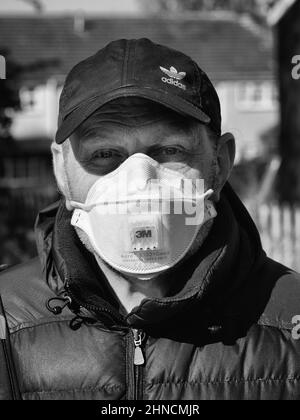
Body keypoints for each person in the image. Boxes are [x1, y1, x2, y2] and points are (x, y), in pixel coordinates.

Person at [0, 38, 300, 401]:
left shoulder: (290, 321)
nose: (139, 181)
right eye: (105, 153)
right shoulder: (8, 321)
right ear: (62, 172)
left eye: (170, 150)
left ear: (219, 163)